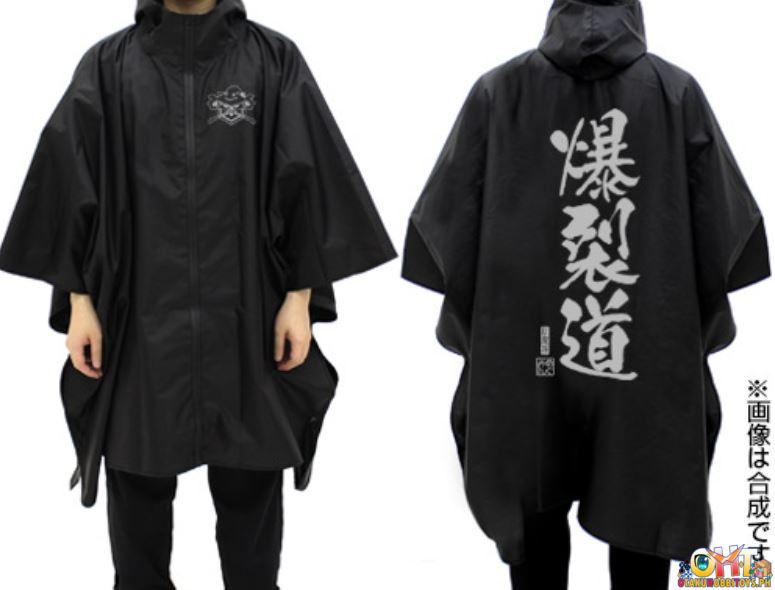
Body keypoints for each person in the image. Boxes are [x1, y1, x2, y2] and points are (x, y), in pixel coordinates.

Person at [0, 0, 396, 588]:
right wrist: (78, 303)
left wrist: (300, 298)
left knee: (252, 499)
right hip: (138, 324)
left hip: (248, 320)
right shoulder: (108, 67)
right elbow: (70, 182)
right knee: (136, 494)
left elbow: (308, 178)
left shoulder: (272, 61)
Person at [400, 1, 770, 589]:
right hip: (641, 364)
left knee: (535, 514)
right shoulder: (674, 94)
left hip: (533, 360)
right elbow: (725, 242)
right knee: (641, 507)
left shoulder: (499, 93)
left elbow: (445, 238)